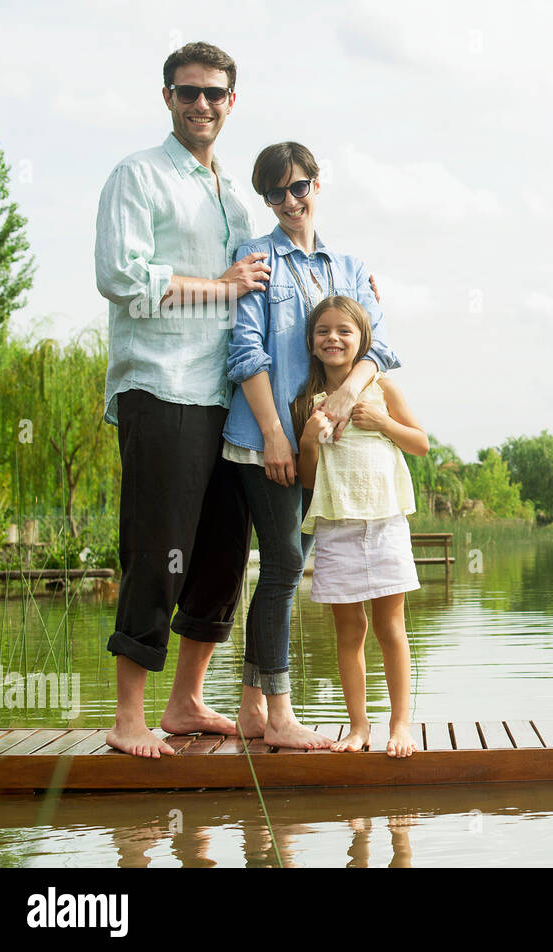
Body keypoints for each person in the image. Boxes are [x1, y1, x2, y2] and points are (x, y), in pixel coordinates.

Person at [96, 41, 267, 758]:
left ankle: (186, 701)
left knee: (227, 549)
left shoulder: (233, 194)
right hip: (161, 384)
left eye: (215, 93)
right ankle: (128, 716)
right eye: (188, 91)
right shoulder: (137, 176)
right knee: (159, 547)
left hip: (224, 394)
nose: (202, 104)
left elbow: (263, 278)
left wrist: (347, 290)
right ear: (167, 97)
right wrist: (222, 286)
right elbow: (122, 278)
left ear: (232, 101)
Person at [222, 142, 400, 750]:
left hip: (324, 447)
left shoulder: (347, 267)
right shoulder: (255, 258)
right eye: (276, 193)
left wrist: (346, 398)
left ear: (317, 186)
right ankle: (278, 716)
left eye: (299, 188)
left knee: (281, 569)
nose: (290, 202)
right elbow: (245, 353)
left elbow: (380, 346)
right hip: (264, 440)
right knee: (284, 566)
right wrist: (275, 434)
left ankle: (250, 711)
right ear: (266, 200)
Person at [296, 296, 427, 758]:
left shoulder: (383, 389)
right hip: (337, 528)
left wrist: (384, 422)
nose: (333, 338)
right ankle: (357, 726)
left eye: (344, 331)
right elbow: (308, 480)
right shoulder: (309, 401)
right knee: (349, 631)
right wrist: (309, 442)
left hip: (386, 522)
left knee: (391, 627)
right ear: (312, 344)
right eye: (323, 331)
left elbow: (421, 444)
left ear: (362, 340)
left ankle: (400, 724)